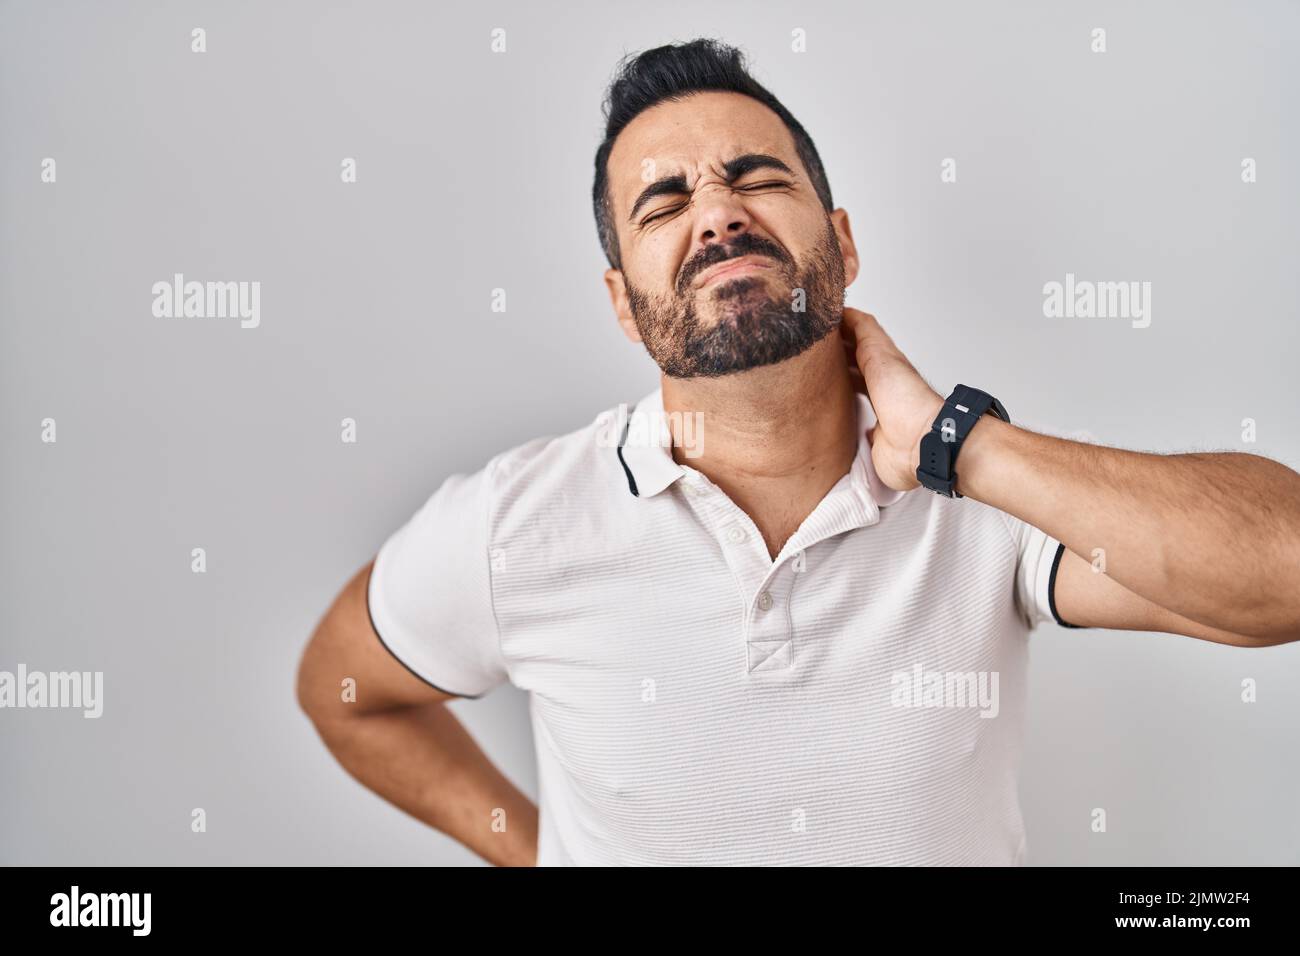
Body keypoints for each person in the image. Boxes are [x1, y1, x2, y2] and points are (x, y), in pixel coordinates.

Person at [296, 39, 1300, 866]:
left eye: (753, 177)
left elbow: (1284, 573)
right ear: (619, 303)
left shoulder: (982, 490)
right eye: (663, 203)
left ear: (842, 242)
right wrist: (540, 853)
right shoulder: (518, 522)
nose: (717, 212)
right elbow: (344, 692)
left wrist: (964, 445)